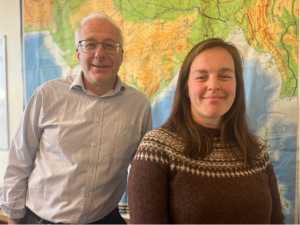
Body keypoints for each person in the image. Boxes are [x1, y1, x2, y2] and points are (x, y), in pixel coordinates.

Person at [0, 11, 152, 225]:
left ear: (121, 55)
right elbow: (19, 160)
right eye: (90, 44)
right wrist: (14, 218)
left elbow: (142, 172)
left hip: (105, 220)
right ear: (78, 53)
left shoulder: (139, 105)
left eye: (110, 45)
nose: (100, 53)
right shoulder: (46, 96)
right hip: (41, 220)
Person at [128, 38, 285, 224]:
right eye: (201, 77)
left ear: (237, 86)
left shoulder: (257, 150)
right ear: (186, 89)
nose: (213, 85)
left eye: (225, 76)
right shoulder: (155, 149)